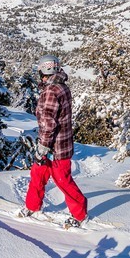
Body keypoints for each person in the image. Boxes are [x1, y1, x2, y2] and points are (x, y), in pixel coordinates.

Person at [21, 54, 88, 228]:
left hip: (55, 147)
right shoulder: (61, 87)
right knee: (38, 173)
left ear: (43, 70)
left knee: (62, 180)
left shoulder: (50, 91)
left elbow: (48, 122)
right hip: (59, 144)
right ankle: (32, 206)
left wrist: (42, 146)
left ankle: (79, 213)